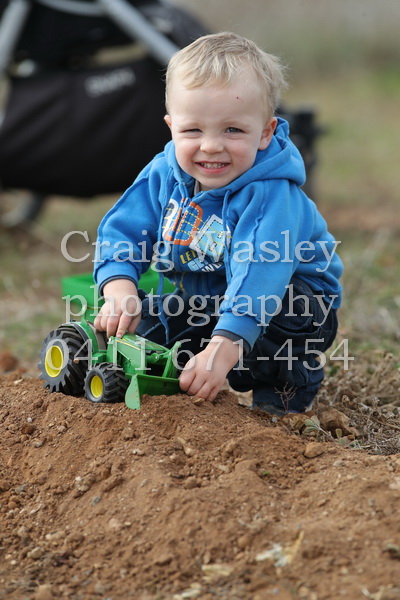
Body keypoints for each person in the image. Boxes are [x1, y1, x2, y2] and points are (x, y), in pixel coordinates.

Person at [93, 31, 343, 415]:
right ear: (171, 126)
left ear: (265, 133)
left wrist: (224, 347)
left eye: (233, 130)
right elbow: (123, 230)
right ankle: (173, 381)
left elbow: (260, 274)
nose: (211, 145)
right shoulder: (164, 172)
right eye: (193, 130)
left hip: (288, 296)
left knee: (285, 314)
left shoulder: (270, 194)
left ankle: (281, 395)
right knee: (147, 323)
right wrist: (119, 286)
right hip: (209, 295)